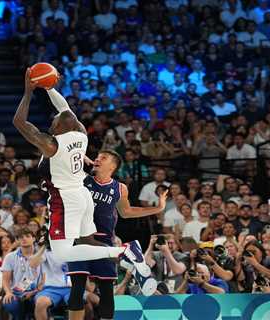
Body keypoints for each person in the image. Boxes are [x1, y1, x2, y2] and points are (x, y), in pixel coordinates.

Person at [13, 69, 141, 266]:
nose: (52, 121)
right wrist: (48, 87)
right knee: (87, 241)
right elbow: (64, 108)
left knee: (62, 254)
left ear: (58, 128)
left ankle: (124, 250)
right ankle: (128, 260)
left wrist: (28, 91)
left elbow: (19, 122)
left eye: (54, 121)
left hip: (65, 199)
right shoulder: (81, 133)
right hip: (81, 195)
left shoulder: (50, 144)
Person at [67, 150, 167, 320]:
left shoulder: (120, 188)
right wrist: (77, 154)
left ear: (113, 166)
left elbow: (126, 212)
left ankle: (127, 253)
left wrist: (158, 208)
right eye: (97, 157)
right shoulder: (82, 179)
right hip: (79, 239)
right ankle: (127, 253)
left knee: (106, 289)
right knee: (78, 287)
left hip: (104, 240)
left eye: (103, 158)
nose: (97, 159)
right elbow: (64, 161)